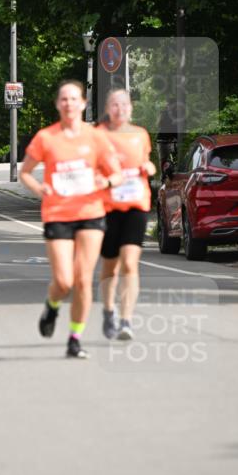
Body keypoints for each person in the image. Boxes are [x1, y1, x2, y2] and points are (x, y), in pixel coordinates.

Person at [19, 80, 121, 359]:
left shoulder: (96, 137)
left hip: (90, 213)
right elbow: (25, 172)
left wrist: (106, 179)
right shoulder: (46, 137)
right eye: (64, 99)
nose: (68, 104)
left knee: (83, 280)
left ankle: (75, 337)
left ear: (84, 103)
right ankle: (52, 305)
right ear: (57, 104)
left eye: (74, 99)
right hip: (58, 214)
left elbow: (118, 174)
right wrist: (39, 188)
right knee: (64, 281)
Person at [98, 88, 156, 341]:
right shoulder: (98, 136)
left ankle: (126, 321)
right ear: (108, 109)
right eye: (114, 104)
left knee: (130, 263)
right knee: (111, 264)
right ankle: (109, 310)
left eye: (124, 104)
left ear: (130, 108)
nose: (119, 108)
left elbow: (148, 163)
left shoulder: (140, 135)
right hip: (108, 207)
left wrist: (149, 167)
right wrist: (108, 180)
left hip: (136, 204)